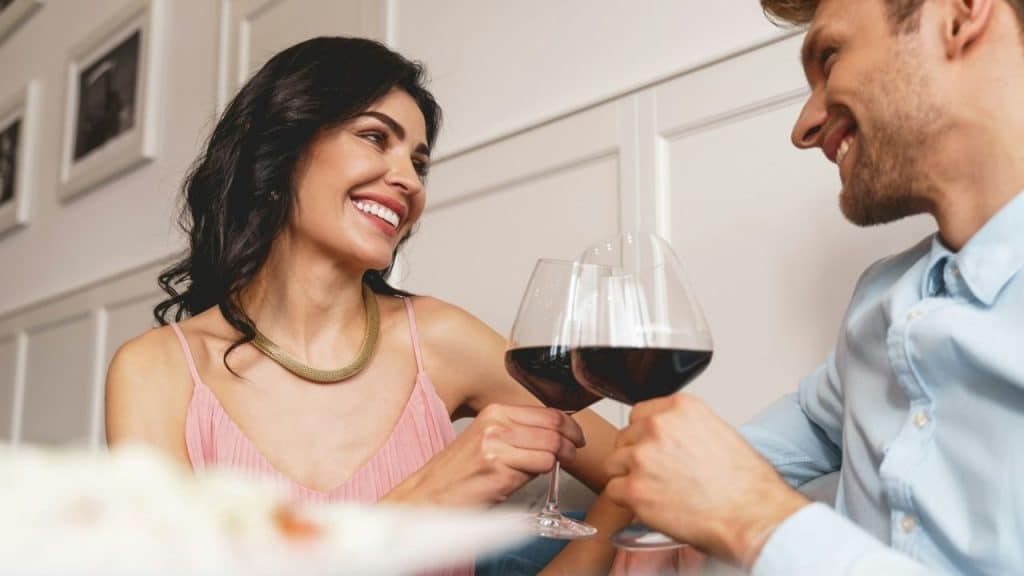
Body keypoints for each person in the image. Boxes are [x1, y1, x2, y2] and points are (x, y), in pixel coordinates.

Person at [104, 36, 630, 575]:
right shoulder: (157, 371)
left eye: (419, 164)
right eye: (375, 137)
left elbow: (639, 472)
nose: (408, 181)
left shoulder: (441, 338)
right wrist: (427, 498)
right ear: (281, 150)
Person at [604, 0, 1024, 574]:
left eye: (830, 56)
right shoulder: (882, 297)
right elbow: (814, 417)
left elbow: (751, 511)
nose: (803, 127)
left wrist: (752, 516)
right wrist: (676, 505)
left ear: (961, 14)